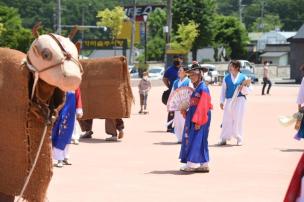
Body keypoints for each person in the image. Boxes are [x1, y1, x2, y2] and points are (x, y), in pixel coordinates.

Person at [179, 64, 213, 172]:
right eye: (190, 75)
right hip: (196, 115)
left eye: (193, 75)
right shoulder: (196, 88)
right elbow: (193, 104)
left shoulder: (203, 88)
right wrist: (186, 111)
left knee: (196, 139)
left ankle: (192, 164)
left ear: (199, 75)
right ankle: (204, 163)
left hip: (201, 116)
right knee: (201, 139)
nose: (191, 77)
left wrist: (198, 121)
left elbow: (203, 106)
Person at [218, 60, 252, 146]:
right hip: (229, 100)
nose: (230, 68)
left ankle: (239, 138)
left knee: (238, 119)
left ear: (237, 68)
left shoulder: (243, 77)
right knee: (226, 119)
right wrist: (222, 101)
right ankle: (224, 138)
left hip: (240, 100)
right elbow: (223, 90)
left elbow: (249, 90)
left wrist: (243, 88)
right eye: (230, 66)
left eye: (232, 66)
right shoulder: (226, 78)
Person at [52, 88, 83, 167]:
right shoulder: (60, 82)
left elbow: (78, 97)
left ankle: (65, 157)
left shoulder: (75, 83)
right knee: (61, 132)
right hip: (61, 111)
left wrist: (79, 110)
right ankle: (59, 158)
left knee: (68, 134)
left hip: (71, 112)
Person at [170, 66, 193, 143]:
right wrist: (171, 104)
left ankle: (186, 137)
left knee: (184, 121)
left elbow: (191, 92)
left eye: (180, 70)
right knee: (177, 122)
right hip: (177, 105)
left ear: (185, 72)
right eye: (178, 70)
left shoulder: (189, 81)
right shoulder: (175, 82)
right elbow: (172, 93)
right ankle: (179, 138)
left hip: (185, 105)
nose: (178, 72)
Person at [163, 56, 182, 132]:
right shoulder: (170, 70)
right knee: (172, 109)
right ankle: (169, 126)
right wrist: (169, 86)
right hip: (173, 92)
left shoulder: (182, 69)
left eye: (179, 60)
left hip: (182, 93)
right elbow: (164, 79)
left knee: (181, 109)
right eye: (177, 60)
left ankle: (179, 126)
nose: (178, 62)